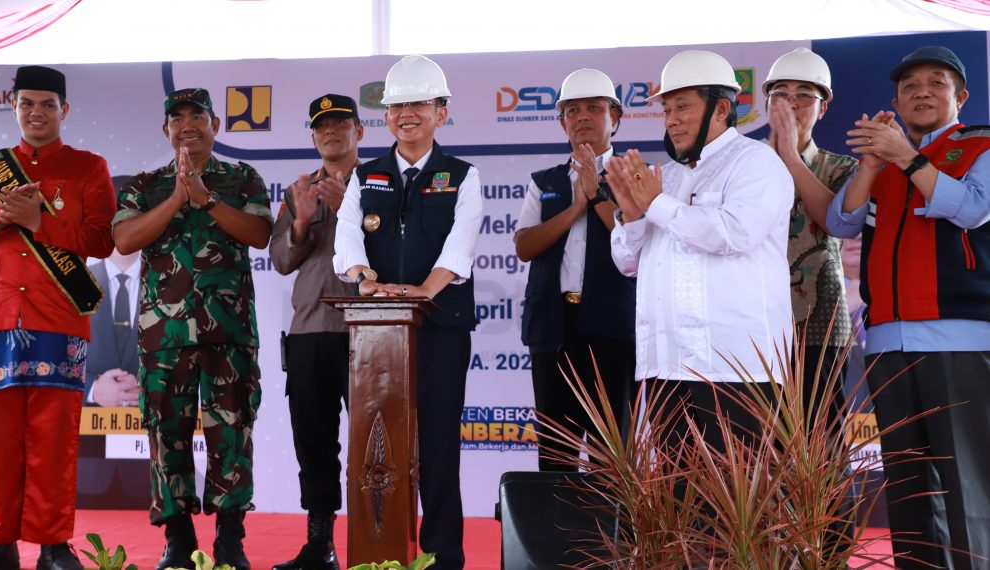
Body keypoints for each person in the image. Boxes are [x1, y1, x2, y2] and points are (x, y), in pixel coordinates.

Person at [0, 65, 116, 570]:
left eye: (46, 105)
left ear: (63, 110)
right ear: (14, 107)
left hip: (58, 315)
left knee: (54, 440)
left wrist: (40, 221)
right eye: (26, 104)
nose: (36, 113)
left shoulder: (89, 166)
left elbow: (101, 240)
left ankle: (53, 546)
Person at [827, 45, 990, 569]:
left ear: (960, 97)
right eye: (909, 85)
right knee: (909, 488)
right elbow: (841, 223)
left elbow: (971, 210)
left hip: (960, 339)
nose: (921, 91)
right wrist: (872, 165)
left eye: (936, 83)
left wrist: (906, 157)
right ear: (895, 100)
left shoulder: (981, 145)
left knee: (968, 485)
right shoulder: (885, 158)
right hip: (887, 343)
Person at [333, 54, 483, 570]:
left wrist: (418, 292)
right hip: (374, 333)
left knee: (438, 448)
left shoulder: (462, 176)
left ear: (441, 113)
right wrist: (367, 283)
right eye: (397, 105)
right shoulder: (365, 175)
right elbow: (346, 244)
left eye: (419, 103)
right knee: (379, 450)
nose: (407, 114)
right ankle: (382, 555)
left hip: (440, 328)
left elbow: (459, 252)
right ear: (385, 116)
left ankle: (443, 559)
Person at [113, 87, 272, 570]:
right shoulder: (144, 183)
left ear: (215, 125)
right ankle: (178, 540)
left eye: (197, 117)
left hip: (230, 334)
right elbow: (124, 239)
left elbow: (260, 234)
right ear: (166, 130)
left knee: (232, 434)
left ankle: (229, 541)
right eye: (177, 118)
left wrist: (205, 200)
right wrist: (178, 198)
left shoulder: (242, 178)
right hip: (164, 338)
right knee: (167, 435)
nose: (187, 125)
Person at [604, 50, 793, 453]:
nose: (670, 119)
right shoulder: (665, 178)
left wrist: (656, 205)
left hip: (737, 369)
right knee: (677, 502)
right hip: (666, 367)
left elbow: (734, 233)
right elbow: (628, 263)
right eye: (666, 109)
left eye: (682, 107)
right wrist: (635, 216)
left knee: (740, 508)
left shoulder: (757, 163)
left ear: (721, 108)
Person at [513, 68, 636, 471]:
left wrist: (596, 188)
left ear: (614, 118)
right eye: (572, 110)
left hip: (614, 328)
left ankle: (610, 536)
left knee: (611, 452)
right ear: (562, 120)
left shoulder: (635, 174)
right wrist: (575, 207)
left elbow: (634, 237)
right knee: (554, 452)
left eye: (594, 108)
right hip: (553, 326)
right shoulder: (543, 181)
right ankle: (555, 535)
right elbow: (524, 246)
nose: (582, 117)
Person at [270, 94, 363, 570]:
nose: (331, 132)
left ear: (359, 132)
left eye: (340, 123)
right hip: (309, 333)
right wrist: (301, 221)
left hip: (369, 333)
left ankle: (376, 545)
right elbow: (283, 261)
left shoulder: (383, 183)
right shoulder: (299, 189)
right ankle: (320, 545)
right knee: (314, 443)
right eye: (322, 126)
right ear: (312, 136)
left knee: (375, 445)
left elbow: (395, 253)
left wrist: (351, 207)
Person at [763, 47, 857, 420]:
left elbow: (834, 221)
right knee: (754, 443)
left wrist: (789, 154)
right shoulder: (744, 164)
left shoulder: (842, 167)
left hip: (820, 320)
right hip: (753, 321)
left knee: (820, 442)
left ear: (823, 108)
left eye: (804, 94)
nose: (791, 102)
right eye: (780, 93)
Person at [77, 194, 149, 508]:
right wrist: (92, 389)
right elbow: (52, 358)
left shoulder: (169, 280)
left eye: (132, 218)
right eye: (115, 218)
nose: (122, 227)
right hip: (85, 459)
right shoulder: (74, 281)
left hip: (154, 461)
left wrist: (150, 385)